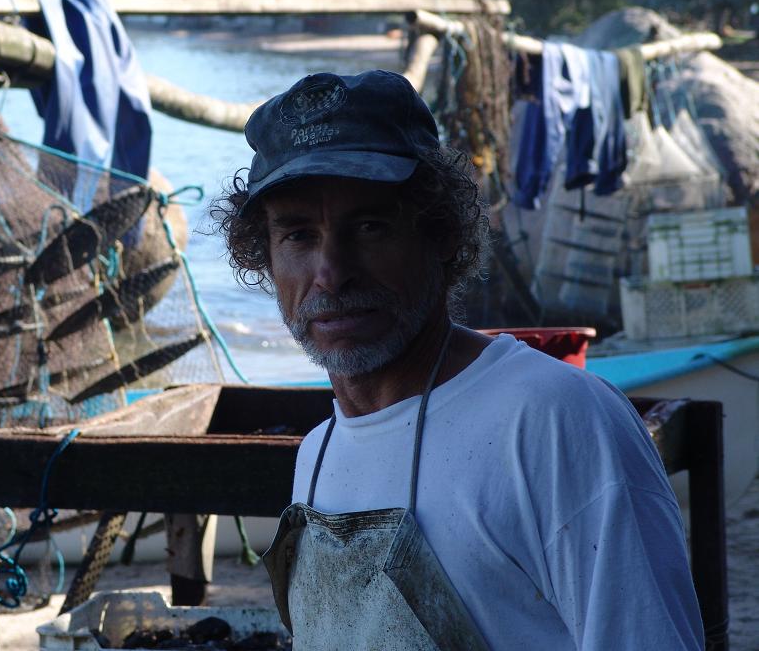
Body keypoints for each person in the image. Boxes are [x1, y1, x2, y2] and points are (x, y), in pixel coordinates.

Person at [211, 70, 704, 650]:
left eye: (369, 226)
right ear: (264, 256)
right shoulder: (319, 454)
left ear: (441, 235)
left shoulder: (554, 422)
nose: (331, 272)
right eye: (297, 235)